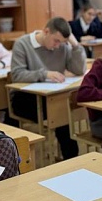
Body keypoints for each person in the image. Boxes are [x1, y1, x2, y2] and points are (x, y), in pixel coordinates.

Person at [10, 17, 86, 159]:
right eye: (56, 41)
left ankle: (71, 158)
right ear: (46, 31)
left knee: (63, 108)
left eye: (62, 42)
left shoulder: (63, 46)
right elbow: (16, 75)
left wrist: (75, 46)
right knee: (61, 110)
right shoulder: (23, 44)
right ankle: (71, 157)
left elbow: (79, 70)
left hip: (52, 96)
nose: (58, 46)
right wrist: (45, 74)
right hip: (25, 98)